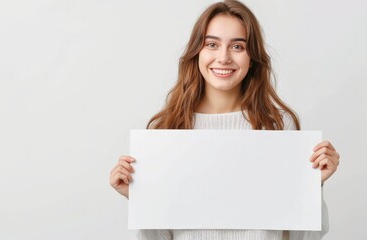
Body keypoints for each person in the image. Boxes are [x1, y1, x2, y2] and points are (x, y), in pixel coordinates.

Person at [109, 0, 340, 239]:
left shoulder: (277, 126)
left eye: (237, 46)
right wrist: (140, 197)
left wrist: (313, 186)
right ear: (197, 51)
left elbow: (301, 236)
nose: (223, 57)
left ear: (252, 57)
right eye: (212, 44)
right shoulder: (167, 131)